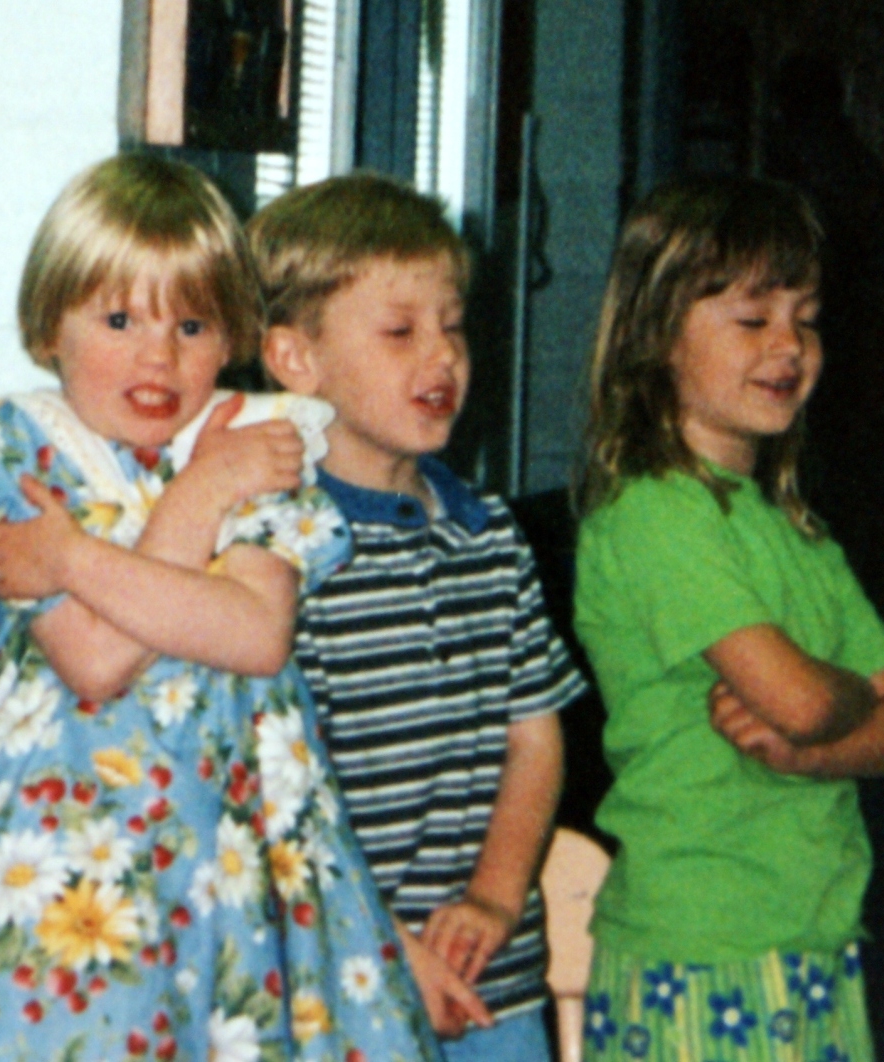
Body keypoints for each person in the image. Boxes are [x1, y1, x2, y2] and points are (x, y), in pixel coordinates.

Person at [0, 155, 438, 1062]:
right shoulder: (30, 441)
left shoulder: (261, 441)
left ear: (230, 333)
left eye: (191, 325)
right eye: (119, 320)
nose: (158, 356)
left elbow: (256, 633)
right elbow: (96, 660)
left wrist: (76, 557)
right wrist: (201, 498)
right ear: (48, 327)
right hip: (63, 871)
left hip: (235, 866)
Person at [569, 175, 884, 1062]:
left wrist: (817, 749)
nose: (788, 346)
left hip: (813, 933)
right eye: (751, 318)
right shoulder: (656, 514)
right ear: (656, 334)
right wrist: (852, 700)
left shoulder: (795, 533)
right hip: (701, 944)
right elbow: (803, 701)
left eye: (805, 319)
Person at [250, 173, 587, 1061]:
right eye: (401, 332)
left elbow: (534, 739)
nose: (443, 356)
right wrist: (385, 945)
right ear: (295, 359)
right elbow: (274, 788)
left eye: (454, 326)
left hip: (491, 987)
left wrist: (494, 901)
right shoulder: (272, 550)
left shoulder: (491, 535)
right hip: (336, 982)